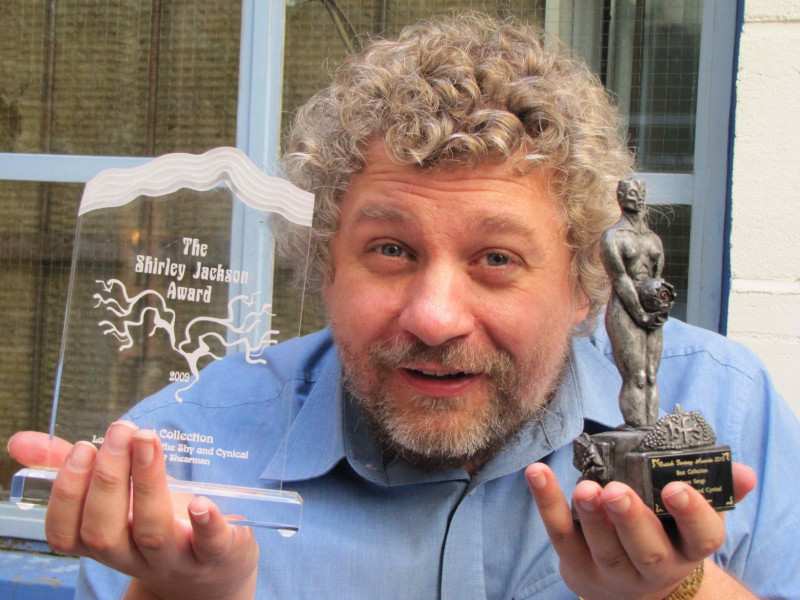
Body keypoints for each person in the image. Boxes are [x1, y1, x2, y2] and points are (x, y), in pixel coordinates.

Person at [8, 13, 800, 600]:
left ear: (584, 283)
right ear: (325, 262)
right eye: (391, 250)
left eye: (496, 259)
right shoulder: (179, 453)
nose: (433, 316)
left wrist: (680, 588)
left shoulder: (726, 405)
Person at [601, 177, 675, 428]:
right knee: (637, 377)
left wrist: (659, 308)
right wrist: (640, 315)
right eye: (632, 193)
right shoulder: (613, 236)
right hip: (625, 310)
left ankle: (651, 431)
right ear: (620, 197)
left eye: (641, 192)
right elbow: (620, 279)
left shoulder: (654, 239)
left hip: (652, 312)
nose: (638, 197)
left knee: (652, 376)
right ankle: (636, 431)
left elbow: (657, 280)